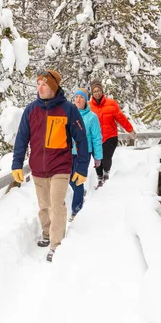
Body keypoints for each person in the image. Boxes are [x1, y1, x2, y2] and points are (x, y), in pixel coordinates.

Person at [11, 70, 90, 262]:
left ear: (53, 88)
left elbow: (81, 140)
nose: (40, 87)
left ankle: (56, 244)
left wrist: (81, 168)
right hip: (38, 168)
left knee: (56, 205)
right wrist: (17, 164)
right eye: (38, 84)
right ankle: (46, 233)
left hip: (60, 167)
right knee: (44, 206)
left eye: (44, 84)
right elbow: (22, 138)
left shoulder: (68, 110)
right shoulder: (31, 110)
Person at [88, 79, 137, 188]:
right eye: (94, 91)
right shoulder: (88, 107)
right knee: (97, 159)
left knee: (106, 158)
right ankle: (100, 179)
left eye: (98, 90)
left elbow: (121, 118)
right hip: (95, 139)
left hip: (110, 136)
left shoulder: (111, 104)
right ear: (92, 93)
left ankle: (106, 175)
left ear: (102, 91)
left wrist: (130, 130)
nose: (97, 93)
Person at [69, 88, 103, 222]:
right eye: (76, 97)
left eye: (81, 97)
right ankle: (80, 192)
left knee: (77, 180)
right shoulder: (69, 114)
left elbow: (96, 138)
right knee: (69, 179)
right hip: (68, 152)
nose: (78, 99)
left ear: (86, 100)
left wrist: (98, 157)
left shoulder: (92, 117)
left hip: (83, 153)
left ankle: (76, 210)